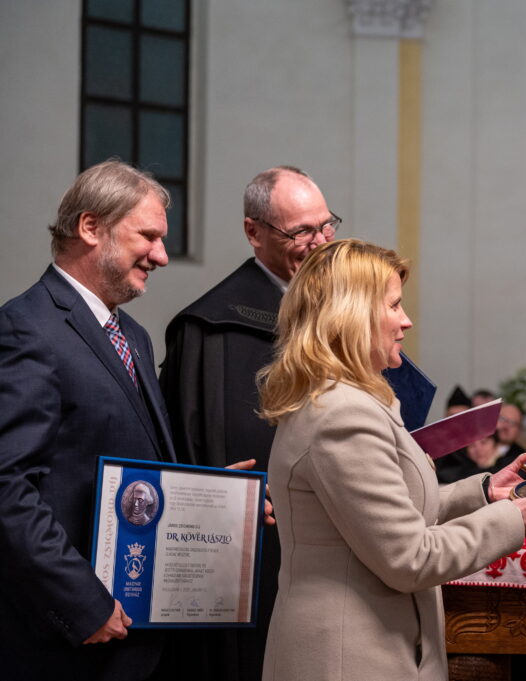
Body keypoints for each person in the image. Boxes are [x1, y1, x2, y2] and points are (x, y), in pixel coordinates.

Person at [257, 239, 526, 680]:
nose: (406, 321)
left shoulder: (348, 399)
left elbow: (389, 516)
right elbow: (409, 557)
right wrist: (512, 519)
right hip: (349, 654)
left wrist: (483, 492)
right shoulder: (343, 414)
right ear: (353, 314)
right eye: (394, 305)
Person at [0, 160, 177, 680]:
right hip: (66, 644)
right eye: (149, 236)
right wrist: (81, 603)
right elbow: (7, 486)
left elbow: (129, 460)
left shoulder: (136, 339)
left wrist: (209, 500)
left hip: (136, 641)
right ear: (91, 227)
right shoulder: (26, 328)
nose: (162, 256)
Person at [159, 165, 336, 681]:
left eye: (326, 226)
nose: (319, 242)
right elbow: (183, 451)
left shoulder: (336, 314)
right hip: (253, 554)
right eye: (300, 231)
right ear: (254, 232)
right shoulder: (209, 329)